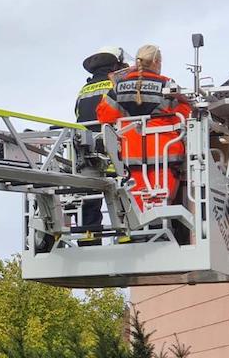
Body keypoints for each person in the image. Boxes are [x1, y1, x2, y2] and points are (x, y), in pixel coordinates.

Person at [96, 44, 191, 211]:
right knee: (162, 206)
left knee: (138, 208)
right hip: (165, 155)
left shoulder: (118, 87)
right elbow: (185, 113)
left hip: (131, 156)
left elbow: (104, 116)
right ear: (156, 62)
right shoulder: (167, 85)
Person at [75, 47, 129, 242]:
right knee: (122, 190)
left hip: (85, 152)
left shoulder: (84, 90)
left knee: (90, 192)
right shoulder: (115, 87)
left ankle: (88, 234)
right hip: (113, 151)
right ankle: (126, 231)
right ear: (115, 65)